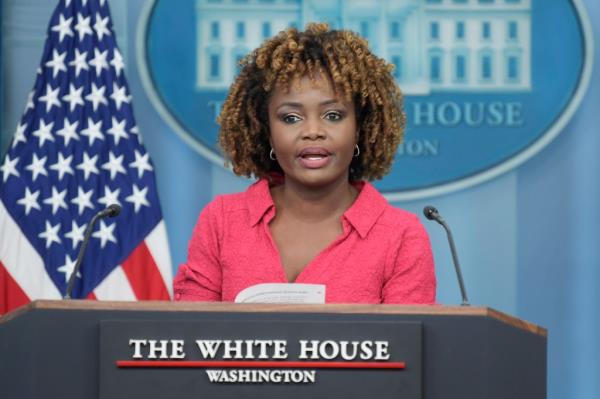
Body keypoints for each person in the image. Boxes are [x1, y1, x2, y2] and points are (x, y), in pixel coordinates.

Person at [173, 23, 436, 304]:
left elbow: (409, 344)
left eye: (333, 115)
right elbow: (189, 334)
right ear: (267, 131)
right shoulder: (222, 221)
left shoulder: (401, 235)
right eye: (290, 118)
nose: (313, 130)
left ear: (360, 127)